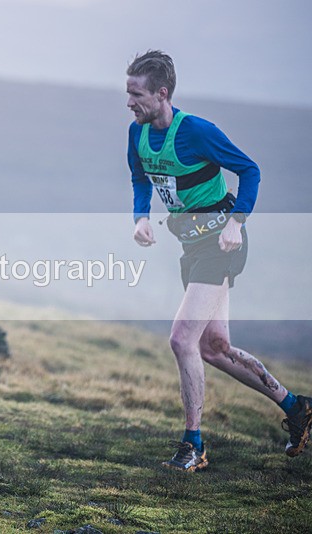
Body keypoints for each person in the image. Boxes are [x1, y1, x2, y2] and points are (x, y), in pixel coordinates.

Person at [126, 50, 311, 471]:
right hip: (191, 247)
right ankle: (296, 406)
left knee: (181, 339)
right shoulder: (136, 133)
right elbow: (140, 176)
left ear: (162, 93)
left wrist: (236, 222)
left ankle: (193, 445)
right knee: (214, 347)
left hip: (221, 246)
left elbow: (250, 170)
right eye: (127, 93)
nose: (130, 102)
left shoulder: (197, 132)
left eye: (136, 94)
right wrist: (140, 217)